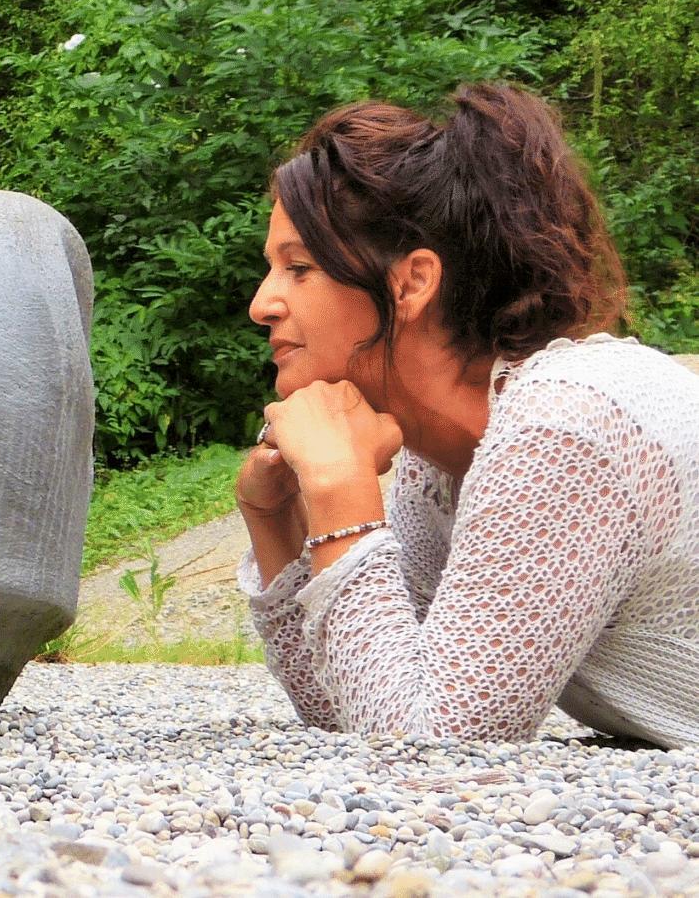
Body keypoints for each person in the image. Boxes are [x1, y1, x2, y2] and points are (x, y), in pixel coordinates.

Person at [235, 81, 699, 748]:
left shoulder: (562, 428)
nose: (262, 304)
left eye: (298, 268)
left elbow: (432, 741)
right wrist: (278, 524)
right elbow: (356, 703)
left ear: (413, 282)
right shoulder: (441, 467)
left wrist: (340, 487)